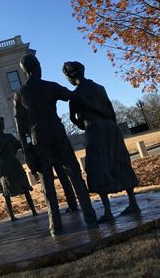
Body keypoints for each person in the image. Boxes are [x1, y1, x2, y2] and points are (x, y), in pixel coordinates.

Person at [14, 53, 98, 236]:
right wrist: (88, 111)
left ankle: (56, 227)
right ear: (37, 67)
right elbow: (74, 96)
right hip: (56, 134)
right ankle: (90, 217)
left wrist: (27, 151)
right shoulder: (49, 87)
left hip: (39, 140)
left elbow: (20, 128)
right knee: (75, 174)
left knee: (48, 185)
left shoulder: (20, 94)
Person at [62, 61, 140, 222]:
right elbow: (111, 111)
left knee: (98, 166)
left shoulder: (75, 95)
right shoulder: (99, 88)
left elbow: (72, 118)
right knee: (120, 161)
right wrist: (110, 124)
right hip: (111, 129)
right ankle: (133, 202)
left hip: (94, 131)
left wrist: (83, 123)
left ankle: (108, 211)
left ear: (70, 76)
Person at [0, 117, 37, 221]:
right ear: (2, 126)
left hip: (3, 164)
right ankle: (33, 211)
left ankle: (11, 215)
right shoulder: (9, 136)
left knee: (6, 191)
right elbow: (18, 145)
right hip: (13, 162)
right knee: (24, 187)